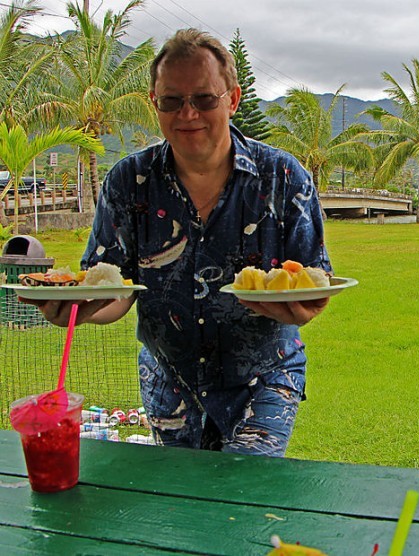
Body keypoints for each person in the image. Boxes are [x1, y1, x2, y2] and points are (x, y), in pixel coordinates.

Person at [24, 29, 332, 456]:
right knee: (180, 507)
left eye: (204, 99)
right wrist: (77, 312)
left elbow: (314, 280)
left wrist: (304, 309)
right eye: (172, 100)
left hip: (262, 380)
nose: (188, 114)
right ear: (155, 104)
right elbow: (115, 290)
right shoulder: (127, 183)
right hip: (169, 384)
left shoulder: (283, 178)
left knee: (242, 499)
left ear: (232, 99)